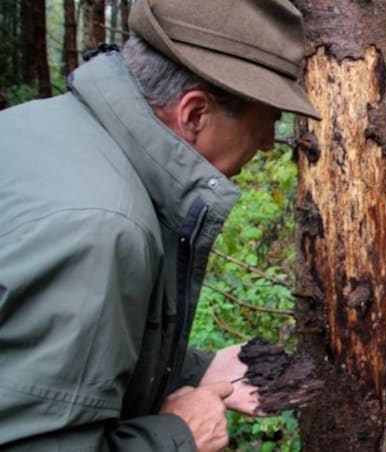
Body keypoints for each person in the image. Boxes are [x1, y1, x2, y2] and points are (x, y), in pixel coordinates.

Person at [0, 0, 320, 450]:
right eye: (263, 125)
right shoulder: (99, 230)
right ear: (194, 114)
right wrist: (177, 437)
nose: (268, 145)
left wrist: (191, 371)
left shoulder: (35, 128)